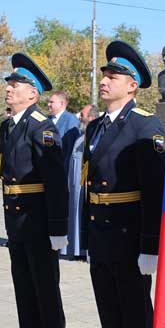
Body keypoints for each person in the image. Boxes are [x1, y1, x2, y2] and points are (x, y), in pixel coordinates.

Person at [80, 41, 165, 328]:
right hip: (101, 236)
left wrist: (151, 245)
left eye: (113, 76)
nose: (104, 80)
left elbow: (154, 189)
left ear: (132, 85)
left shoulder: (145, 125)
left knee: (133, 320)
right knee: (110, 319)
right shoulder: (96, 125)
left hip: (130, 237)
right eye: (104, 74)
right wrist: (84, 237)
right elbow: (88, 184)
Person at [0, 52, 68, 328]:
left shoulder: (42, 129)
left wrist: (58, 229)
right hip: (17, 223)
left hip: (38, 222)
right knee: (24, 290)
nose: (10, 89)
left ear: (33, 93)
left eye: (17, 85)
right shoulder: (7, 126)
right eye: (9, 84)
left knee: (44, 291)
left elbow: (56, 183)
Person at [62, 104, 99, 259]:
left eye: (82, 115)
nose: (80, 118)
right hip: (74, 183)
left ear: (91, 117)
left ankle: (85, 249)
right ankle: (75, 248)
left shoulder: (96, 135)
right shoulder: (81, 136)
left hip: (85, 184)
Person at [47, 91, 81, 175]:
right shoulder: (47, 120)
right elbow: (47, 143)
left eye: (51, 102)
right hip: (48, 169)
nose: (48, 104)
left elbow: (71, 149)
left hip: (62, 171)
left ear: (61, 103)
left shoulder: (71, 120)